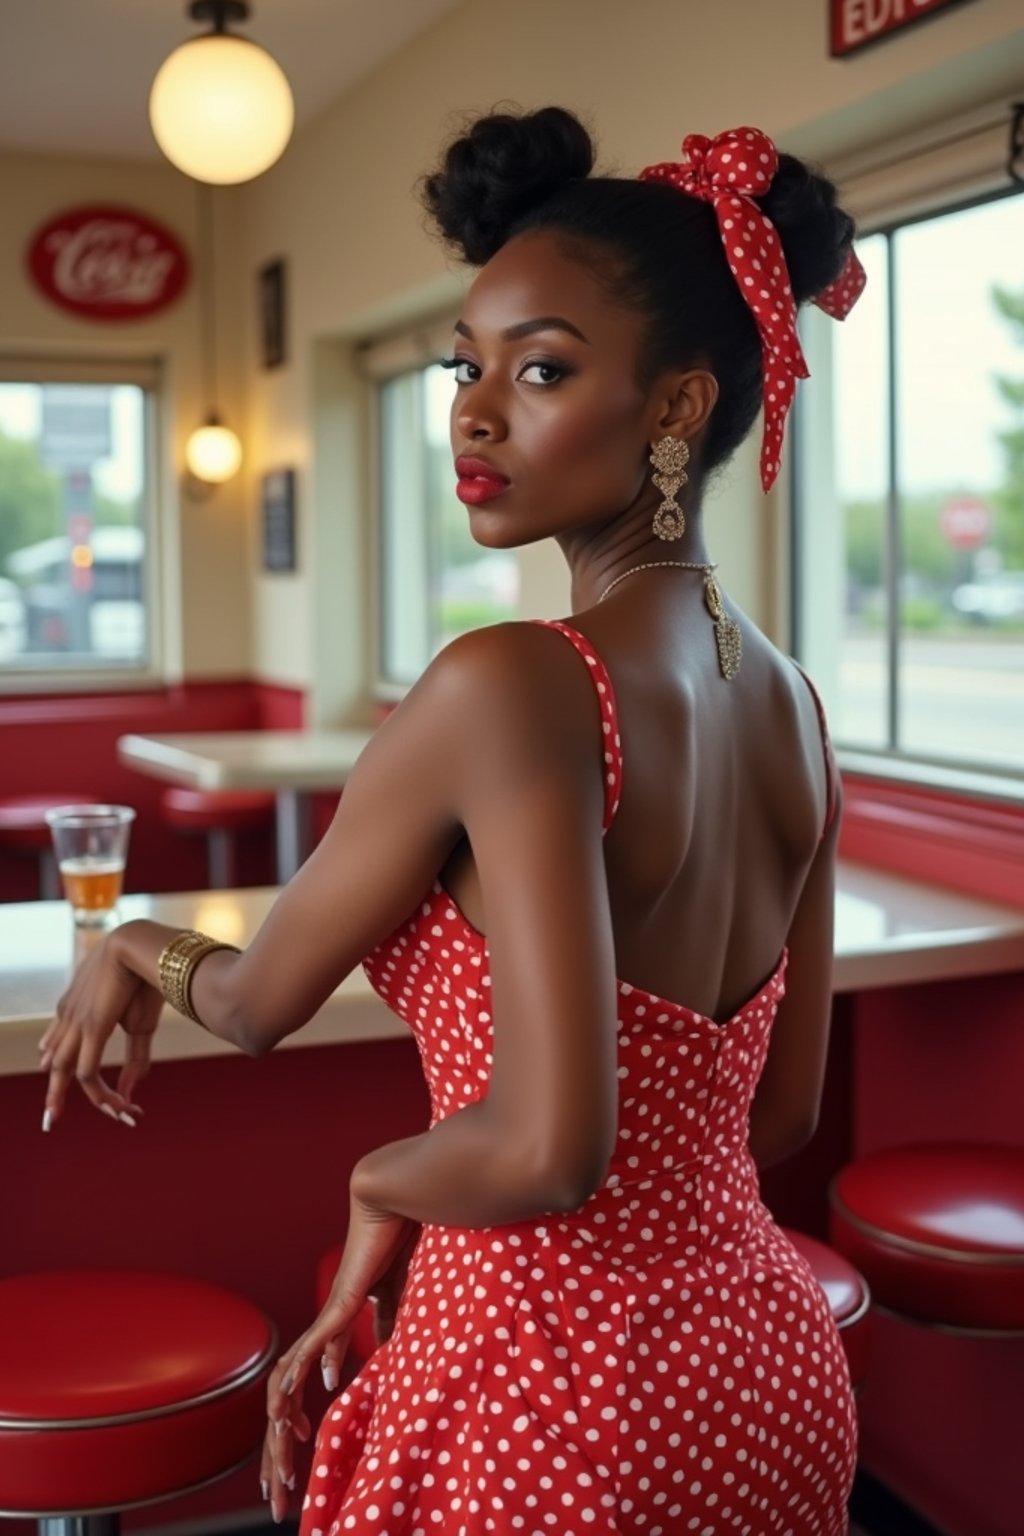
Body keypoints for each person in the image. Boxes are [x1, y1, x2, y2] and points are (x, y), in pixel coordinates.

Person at [39, 107, 864, 1536]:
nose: (474, 415)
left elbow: (290, 1023)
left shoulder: (514, 684)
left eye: (541, 369)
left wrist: (143, 958)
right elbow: (774, 1117)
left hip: (552, 1402)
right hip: (768, 1374)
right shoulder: (791, 706)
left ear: (675, 407)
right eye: (462, 367)